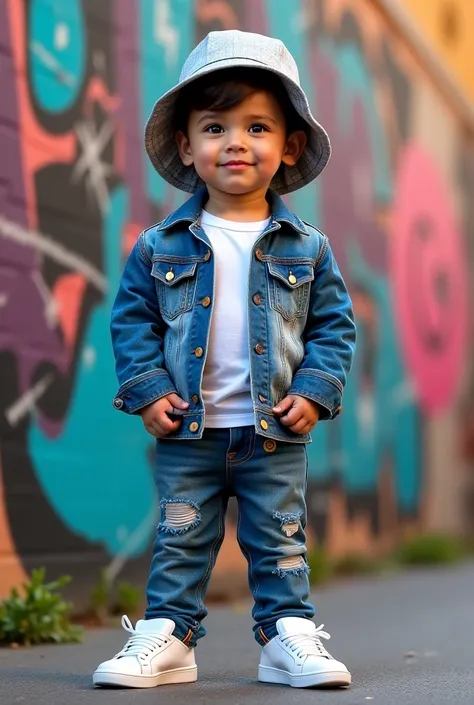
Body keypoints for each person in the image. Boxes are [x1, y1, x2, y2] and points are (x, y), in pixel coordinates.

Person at [93, 29, 356, 690]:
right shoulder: (160, 247)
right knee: (180, 539)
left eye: (258, 126)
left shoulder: (310, 248)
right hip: (189, 429)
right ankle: (170, 635)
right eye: (214, 126)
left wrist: (318, 390)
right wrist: (148, 389)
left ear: (288, 146)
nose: (235, 142)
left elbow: (334, 324)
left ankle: (287, 633)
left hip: (275, 432)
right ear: (186, 145)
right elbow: (132, 319)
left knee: (281, 542)